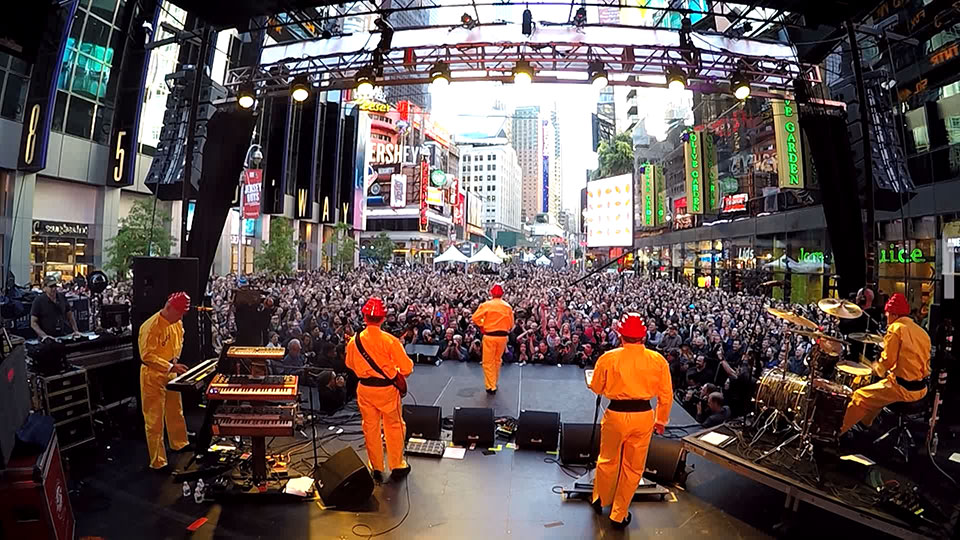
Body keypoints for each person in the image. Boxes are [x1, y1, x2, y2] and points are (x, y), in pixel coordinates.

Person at [588, 313, 672, 529]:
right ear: (643, 336)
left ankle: (600, 499)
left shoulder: (608, 358)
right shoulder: (657, 360)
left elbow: (597, 388)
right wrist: (661, 420)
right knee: (633, 468)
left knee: (607, 459)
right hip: (643, 417)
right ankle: (618, 514)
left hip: (615, 415)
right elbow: (666, 395)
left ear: (620, 335)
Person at [345, 297, 414, 483]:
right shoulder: (390, 341)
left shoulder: (354, 341)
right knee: (393, 426)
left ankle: (376, 466)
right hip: (386, 391)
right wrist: (394, 372)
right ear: (383, 318)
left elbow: (349, 364)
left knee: (370, 427)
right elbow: (407, 368)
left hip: (365, 389)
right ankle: (397, 464)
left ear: (365, 317)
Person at [841, 293, 931, 434]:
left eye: (888, 314)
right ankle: (864, 427)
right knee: (876, 395)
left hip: (903, 389)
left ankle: (838, 432)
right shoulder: (922, 332)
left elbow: (887, 362)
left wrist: (876, 367)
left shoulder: (896, 329)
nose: (886, 317)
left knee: (860, 395)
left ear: (894, 314)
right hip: (921, 389)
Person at [138, 292, 191, 470]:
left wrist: (175, 359)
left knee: (175, 410)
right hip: (152, 375)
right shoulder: (150, 326)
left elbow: (180, 339)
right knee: (154, 419)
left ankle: (180, 443)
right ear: (169, 308)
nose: (180, 317)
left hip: (170, 370)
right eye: (179, 313)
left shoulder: (176, 323)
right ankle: (158, 460)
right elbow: (146, 356)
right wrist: (169, 366)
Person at [471, 284, 514, 394]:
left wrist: (482, 324)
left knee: (488, 362)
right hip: (503, 337)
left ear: (491, 293)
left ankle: (491, 386)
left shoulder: (486, 305)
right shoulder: (508, 307)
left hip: (490, 336)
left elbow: (475, 318)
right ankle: (494, 381)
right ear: (502, 294)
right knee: (497, 360)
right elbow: (511, 324)